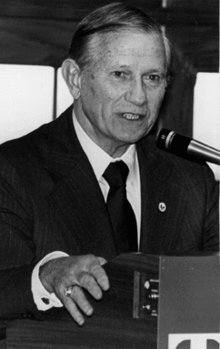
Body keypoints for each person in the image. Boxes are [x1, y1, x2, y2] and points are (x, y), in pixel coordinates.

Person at [0, 2, 218, 327]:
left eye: (153, 78)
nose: (139, 97)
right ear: (75, 78)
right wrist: (43, 277)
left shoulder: (192, 179)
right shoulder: (14, 170)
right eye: (120, 75)